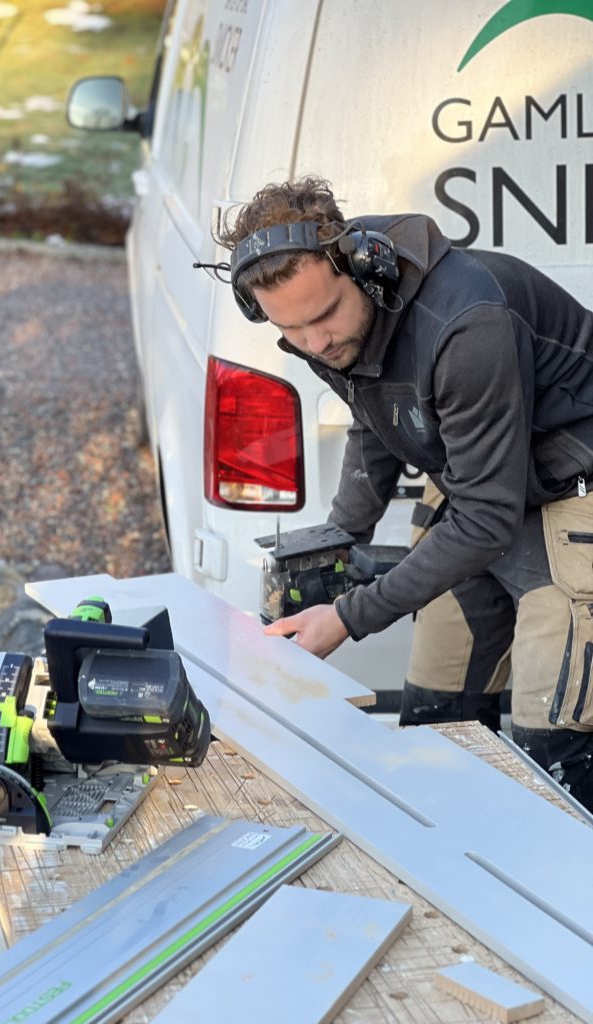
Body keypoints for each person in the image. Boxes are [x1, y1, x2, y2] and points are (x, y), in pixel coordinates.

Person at [213, 175, 593, 809]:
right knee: (432, 724)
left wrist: (347, 617)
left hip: (571, 488)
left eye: (324, 316)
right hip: (485, 489)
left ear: (364, 269)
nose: (315, 344)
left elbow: (485, 520)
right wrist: (340, 542)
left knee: (546, 758)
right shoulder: (326, 321)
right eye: (292, 330)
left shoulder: (467, 323)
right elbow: (373, 413)